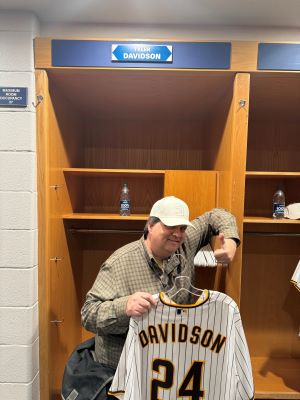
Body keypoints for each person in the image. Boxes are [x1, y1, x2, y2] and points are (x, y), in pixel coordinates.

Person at [81, 196, 239, 395]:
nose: (177, 234)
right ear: (150, 225)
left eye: (182, 227)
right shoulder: (119, 263)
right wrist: (125, 307)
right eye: (170, 226)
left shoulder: (185, 242)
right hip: (126, 373)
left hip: (173, 369)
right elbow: (88, 314)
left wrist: (231, 243)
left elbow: (217, 215)